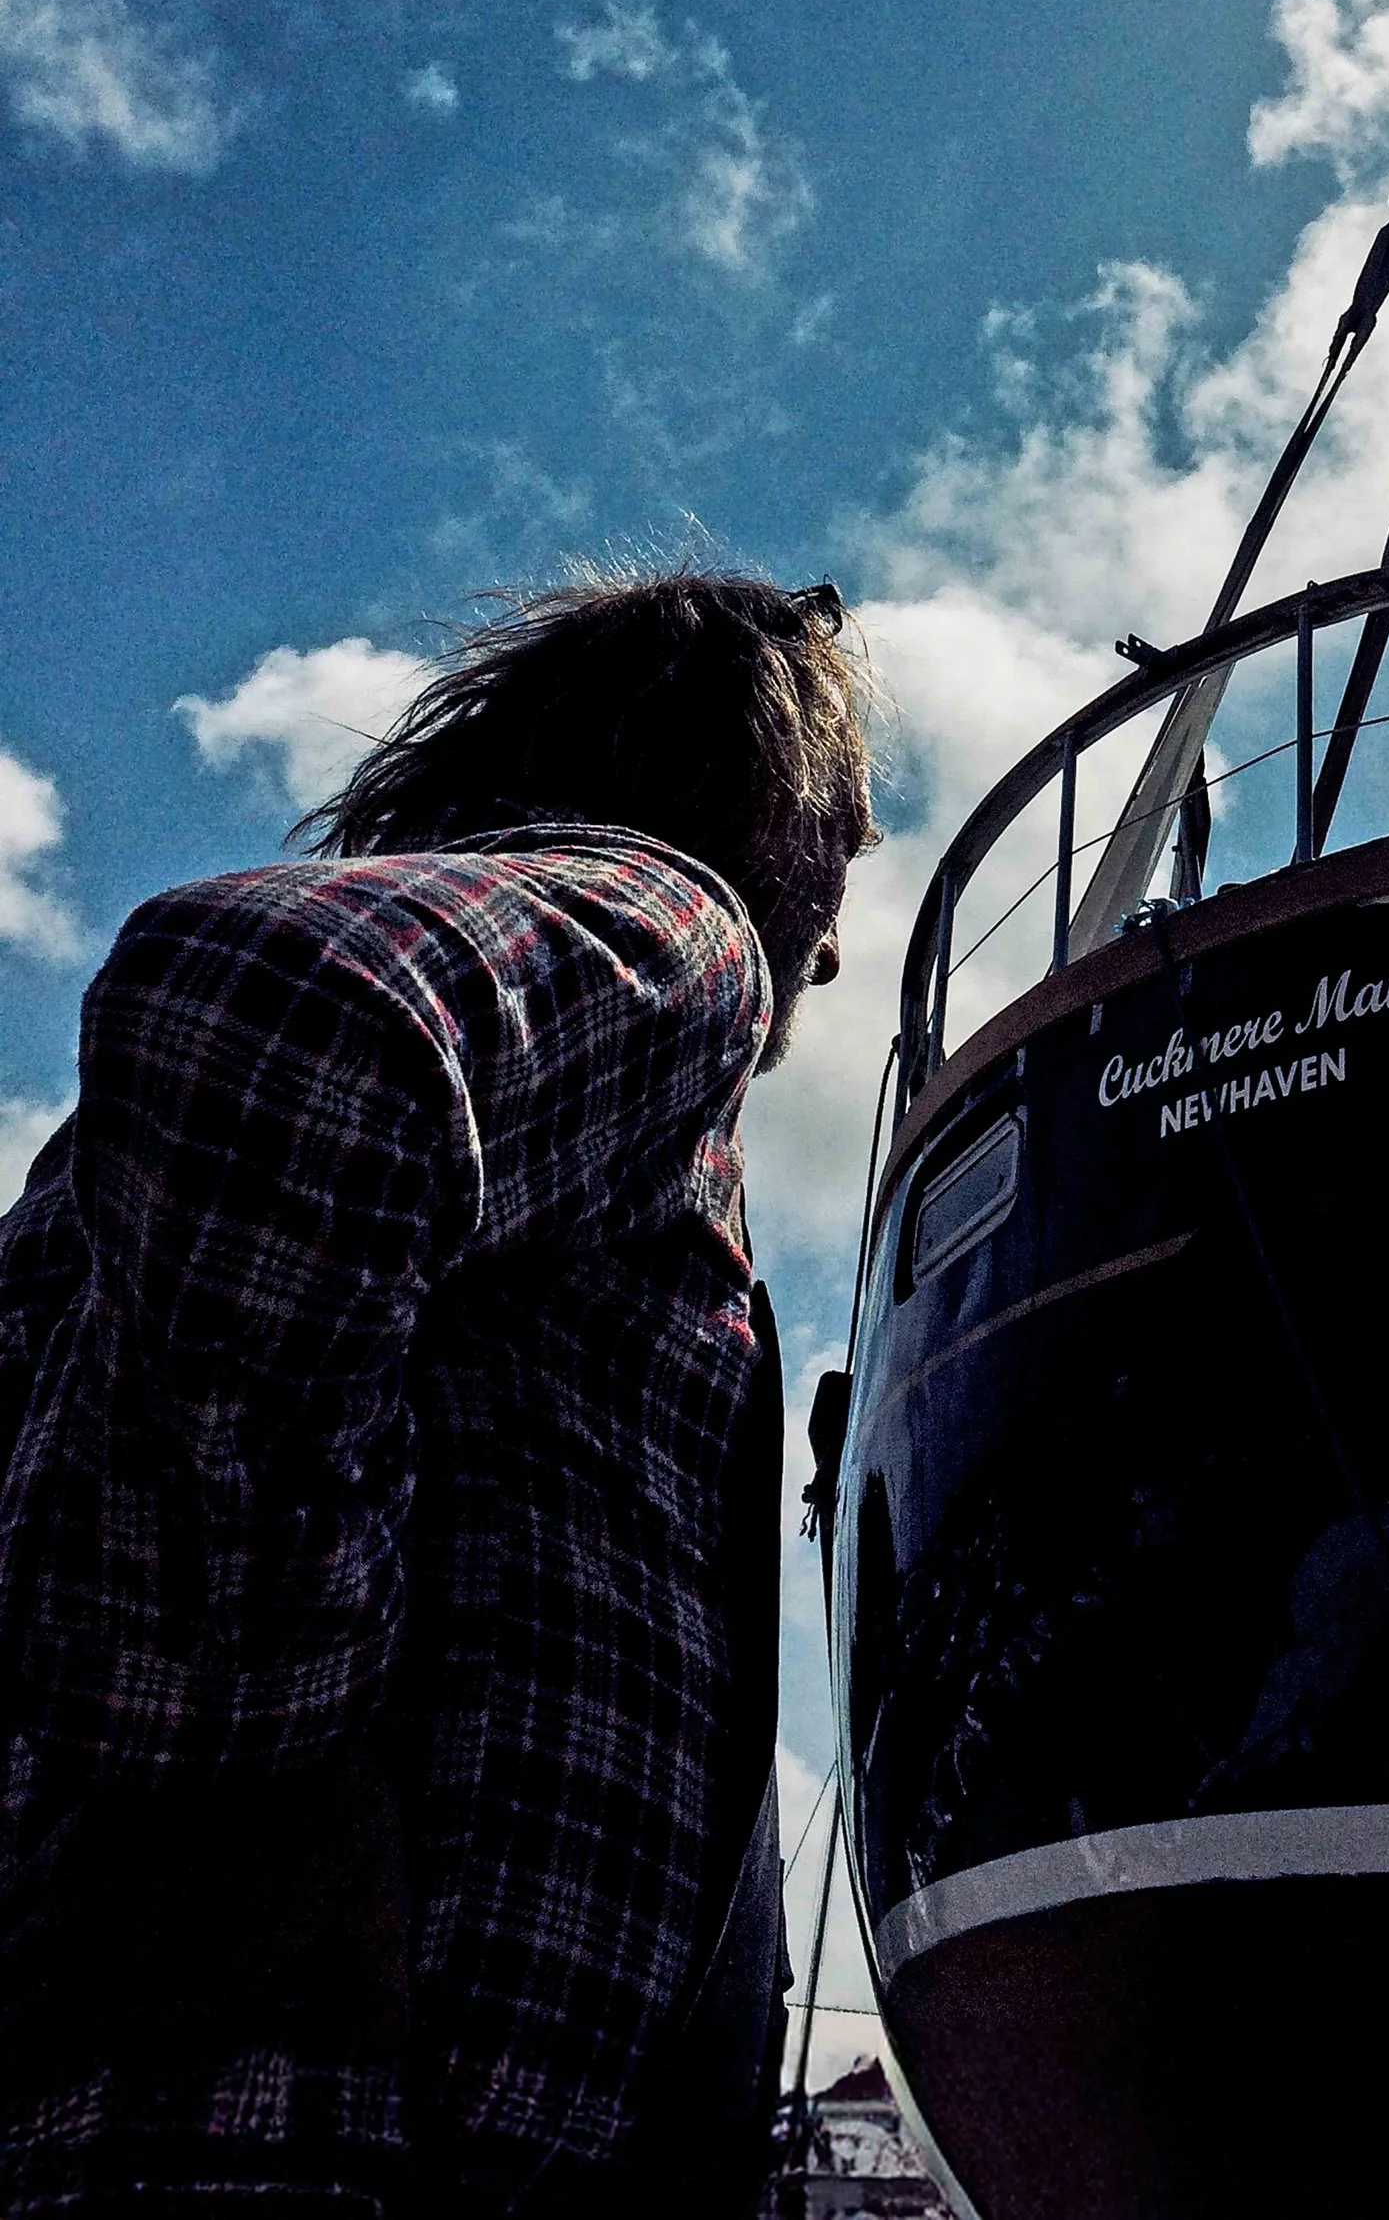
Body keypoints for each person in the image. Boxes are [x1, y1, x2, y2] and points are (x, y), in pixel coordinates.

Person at [0, 567, 875, 2217]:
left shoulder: (114, 1215)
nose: (849, 902)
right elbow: (290, 1009)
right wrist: (242, 1766)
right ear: (771, 800)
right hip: (309, 2126)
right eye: (851, 825)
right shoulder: (663, 914)